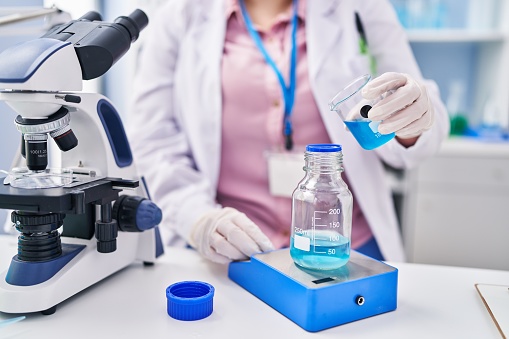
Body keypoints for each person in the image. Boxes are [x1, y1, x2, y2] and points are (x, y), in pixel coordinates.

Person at [127, 0, 449, 264]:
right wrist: (196, 217)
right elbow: (153, 142)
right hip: (234, 247)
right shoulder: (179, 16)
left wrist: (411, 120)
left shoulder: (359, 8)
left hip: (345, 245)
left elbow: (410, 115)